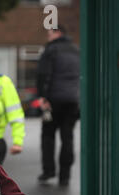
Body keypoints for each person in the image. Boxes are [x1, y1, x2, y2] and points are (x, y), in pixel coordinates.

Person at [36, 25, 80, 186]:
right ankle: (65, 176)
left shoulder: (51, 49)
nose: (48, 37)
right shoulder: (77, 50)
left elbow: (43, 74)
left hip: (53, 101)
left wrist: (43, 96)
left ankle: (49, 171)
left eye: (50, 34)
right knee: (67, 138)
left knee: (48, 136)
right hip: (72, 101)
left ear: (58, 33)